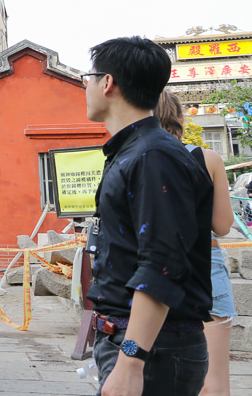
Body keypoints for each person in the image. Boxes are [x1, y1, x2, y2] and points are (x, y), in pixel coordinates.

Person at [84, 36, 213, 396]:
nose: (86, 86)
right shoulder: (135, 151)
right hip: (140, 342)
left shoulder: (153, 156)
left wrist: (131, 360)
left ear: (107, 82)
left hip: (154, 348)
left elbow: (162, 264)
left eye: (88, 77)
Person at [155, 90, 234, 396]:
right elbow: (222, 226)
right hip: (206, 265)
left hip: (154, 269)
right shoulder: (208, 159)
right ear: (180, 117)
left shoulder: (138, 158)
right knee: (213, 381)